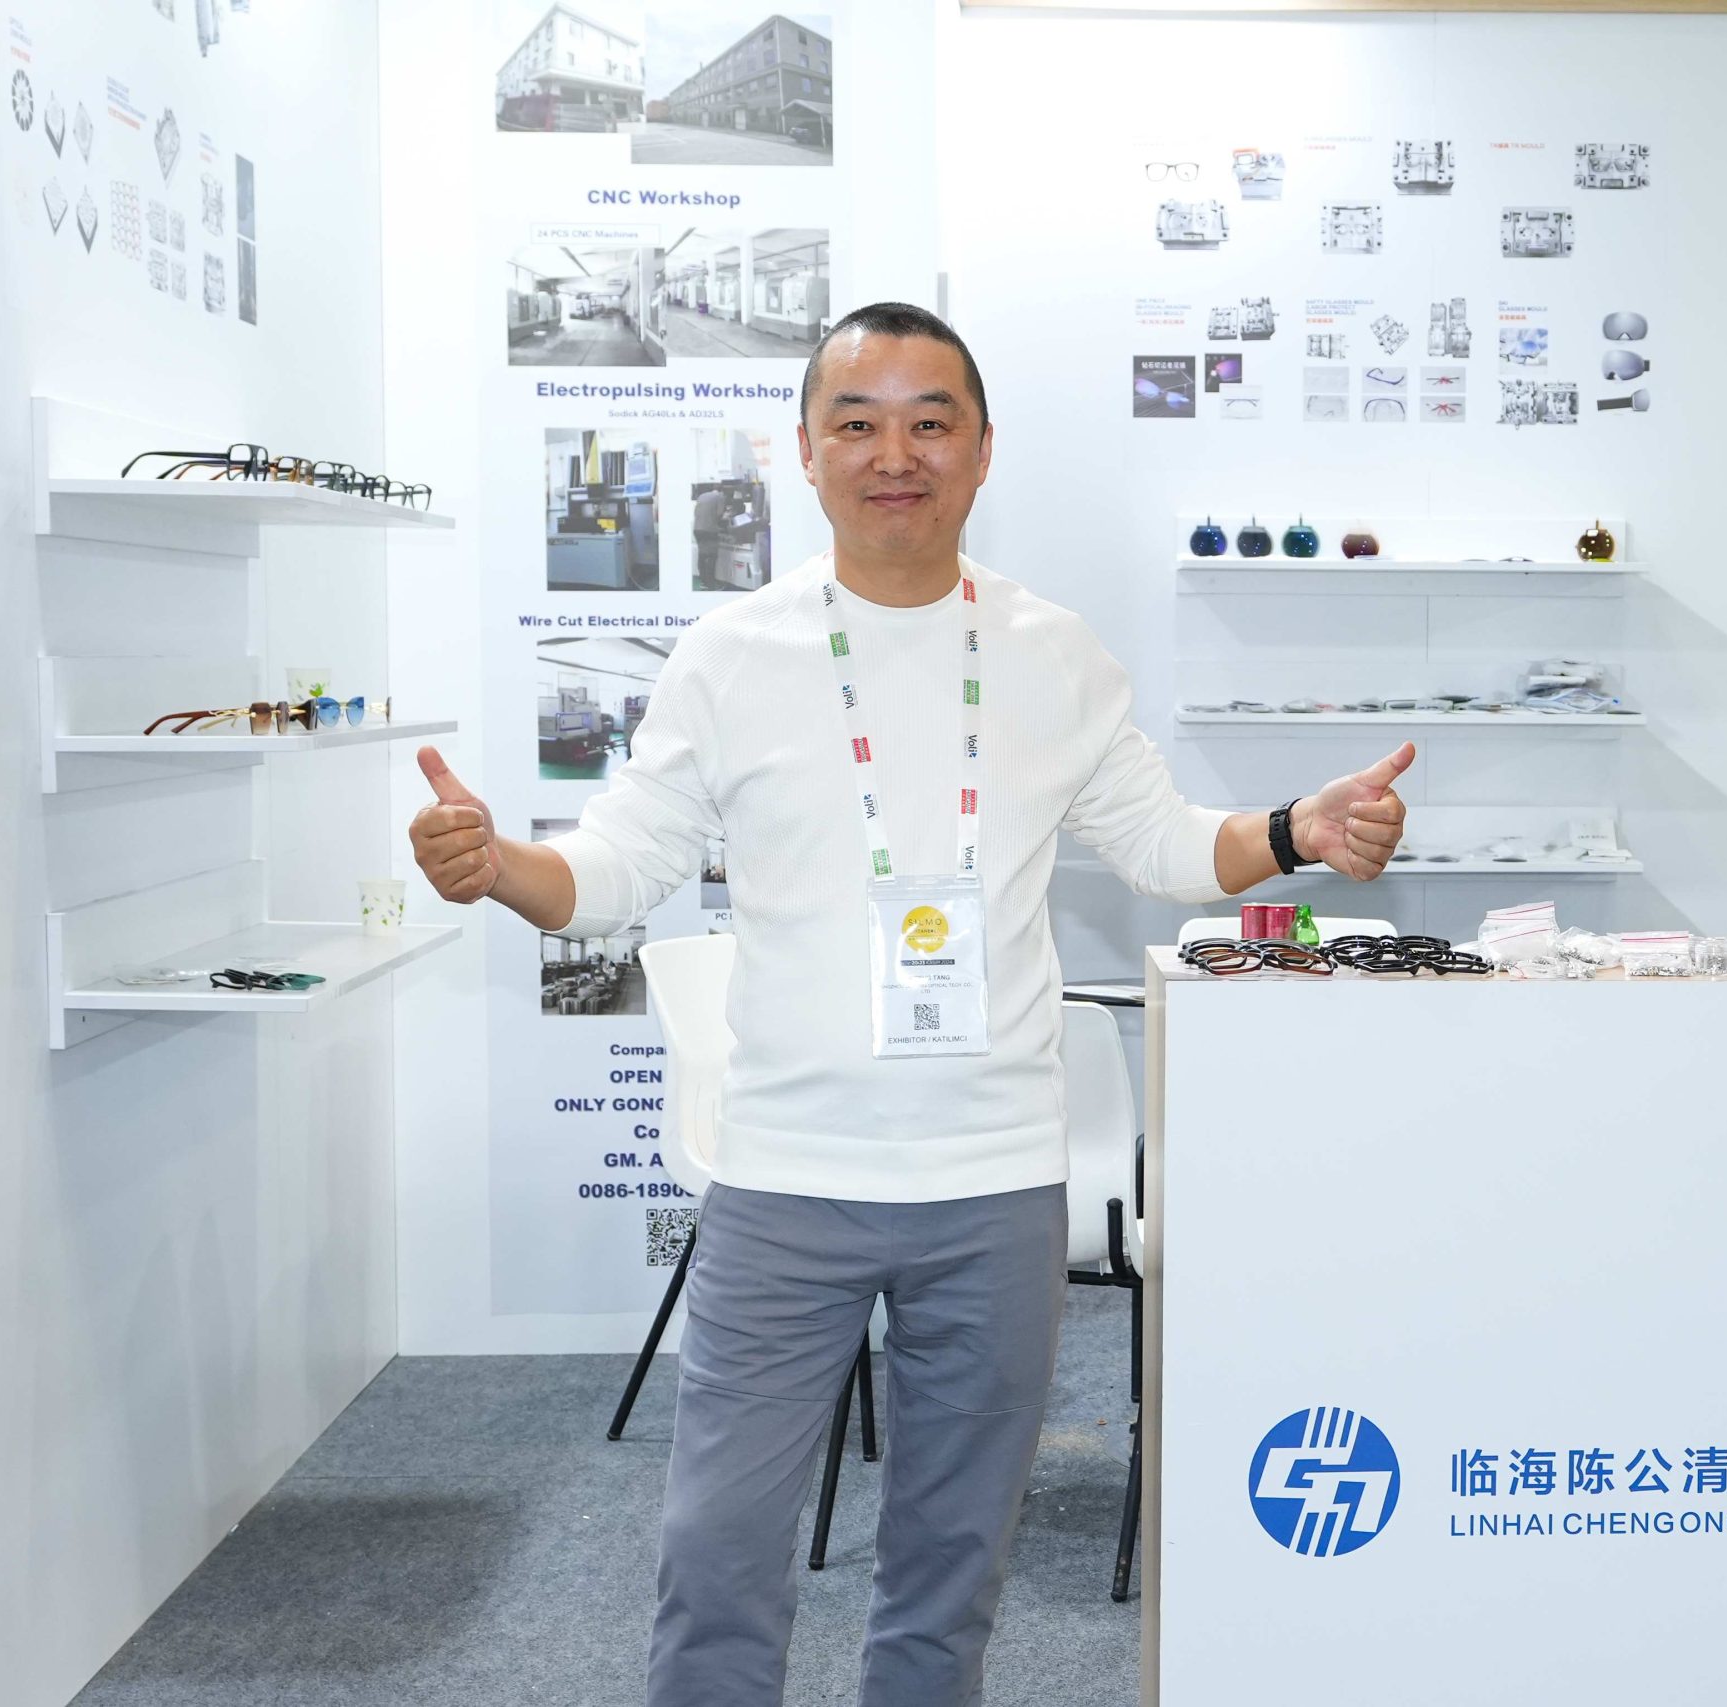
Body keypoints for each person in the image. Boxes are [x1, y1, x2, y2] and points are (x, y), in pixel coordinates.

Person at [406, 301, 1412, 1706]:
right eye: (860, 423)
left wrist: (1301, 828)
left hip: (993, 1183)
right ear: (805, 451)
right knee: (716, 1555)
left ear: (983, 449)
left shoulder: (1054, 651)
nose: (897, 455)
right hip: (785, 1176)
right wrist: (497, 867)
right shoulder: (730, 655)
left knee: (948, 1570)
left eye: (931, 422)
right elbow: (617, 867)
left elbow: (1167, 845)